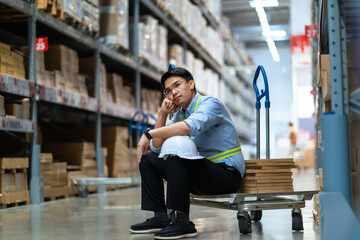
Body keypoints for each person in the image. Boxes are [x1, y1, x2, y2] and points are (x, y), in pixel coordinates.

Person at [129, 67, 245, 239]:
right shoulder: (180, 115)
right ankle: (160, 217)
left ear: (191, 84)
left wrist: (148, 133)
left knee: (177, 154)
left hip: (226, 175)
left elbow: (189, 128)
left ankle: (183, 223)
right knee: (149, 159)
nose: (173, 92)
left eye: (177, 85)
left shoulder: (210, 104)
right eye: (168, 90)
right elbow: (156, 147)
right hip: (201, 174)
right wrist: (163, 113)